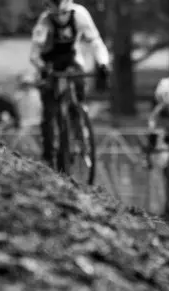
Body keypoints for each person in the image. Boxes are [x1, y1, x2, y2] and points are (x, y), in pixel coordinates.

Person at [29, 0, 110, 166]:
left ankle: (80, 122)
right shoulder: (44, 22)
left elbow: (95, 41)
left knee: (79, 86)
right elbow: (34, 53)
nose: (60, 19)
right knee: (49, 109)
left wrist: (103, 63)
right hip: (49, 63)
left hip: (71, 58)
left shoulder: (79, 14)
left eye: (64, 14)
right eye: (56, 15)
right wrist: (42, 68)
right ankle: (48, 154)